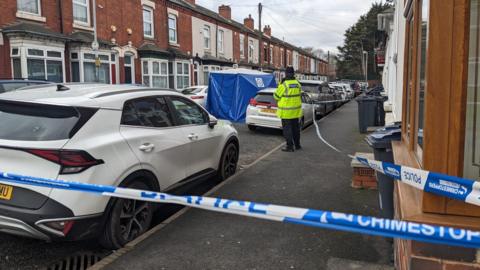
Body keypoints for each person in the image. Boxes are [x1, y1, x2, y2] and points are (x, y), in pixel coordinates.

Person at [274, 66, 303, 152]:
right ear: (293, 73)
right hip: (296, 112)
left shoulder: (284, 85)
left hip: (286, 113)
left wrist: (280, 85)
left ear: (286, 74)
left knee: (287, 130)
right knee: (296, 129)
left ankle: (289, 146)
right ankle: (297, 145)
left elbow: (276, 96)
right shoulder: (298, 84)